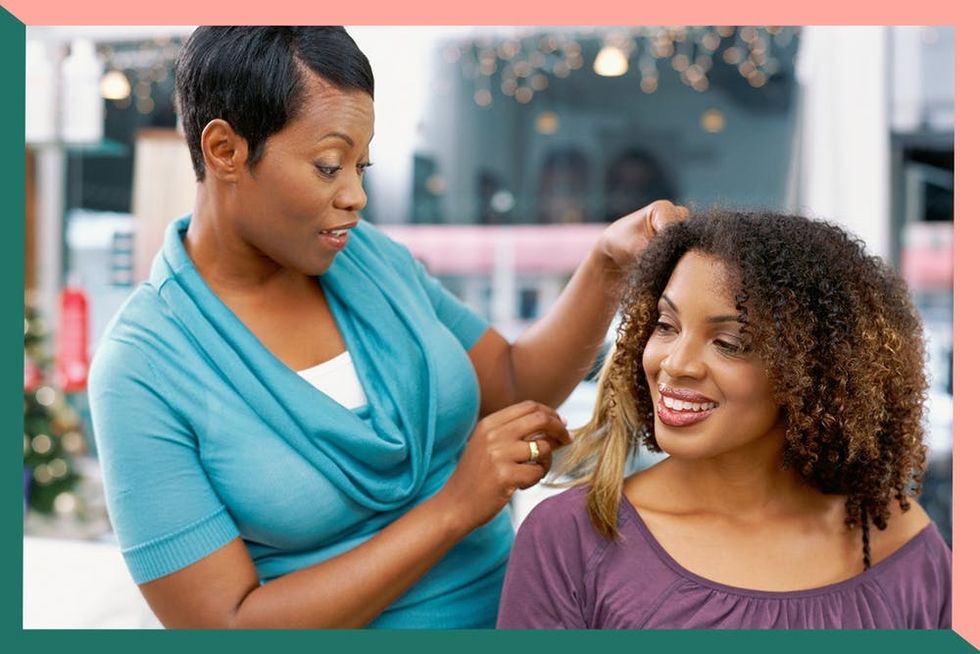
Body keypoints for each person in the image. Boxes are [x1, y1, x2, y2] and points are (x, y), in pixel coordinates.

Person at [87, 26, 687, 629]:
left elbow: (509, 379)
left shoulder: (366, 258)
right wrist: (454, 507)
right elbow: (225, 625)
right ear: (225, 151)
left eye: (360, 165)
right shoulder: (142, 369)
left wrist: (607, 263)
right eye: (328, 166)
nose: (356, 196)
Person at [497, 209, 951, 629]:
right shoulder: (574, 538)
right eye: (666, 325)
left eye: (729, 343)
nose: (675, 364)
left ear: (813, 373)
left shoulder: (900, 543)